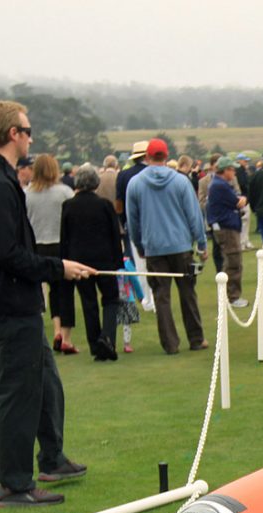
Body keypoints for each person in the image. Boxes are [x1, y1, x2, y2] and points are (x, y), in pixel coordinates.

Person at [0, 100, 95, 507]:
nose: (31, 139)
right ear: (12, 134)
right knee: (19, 393)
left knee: (45, 382)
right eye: (27, 131)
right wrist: (59, 268)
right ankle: (14, 484)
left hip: (17, 301)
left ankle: (52, 458)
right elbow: (5, 252)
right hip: (9, 303)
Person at [125, 137, 208, 354]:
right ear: (167, 155)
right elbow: (194, 215)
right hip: (181, 246)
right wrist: (201, 243)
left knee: (161, 297)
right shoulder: (181, 181)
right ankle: (196, 338)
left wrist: (139, 245)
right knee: (188, 293)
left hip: (154, 248)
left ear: (147, 156)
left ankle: (170, 344)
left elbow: (132, 220)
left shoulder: (135, 184)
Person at [58, 165, 123, 360]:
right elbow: (114, 234)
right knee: (111, 299)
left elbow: (64, 237)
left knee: (89, 302)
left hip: (79, 261)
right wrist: (118, 261)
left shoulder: (68, 205)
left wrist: (64, 261)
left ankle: (95, 344)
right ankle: (107, 338)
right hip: (105, 260)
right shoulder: (105, 205)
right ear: (96, 183)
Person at [25, 153, 77, 352]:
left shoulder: (27, 194)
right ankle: (65, 334)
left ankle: (53, 328)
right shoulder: (65, 192)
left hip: (37, 246)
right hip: (60, 244)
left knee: (44, 290)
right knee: (64, 290)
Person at [115, 140, 153, 311]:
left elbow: (119, 203)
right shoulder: (153, 173)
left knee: (140, 263)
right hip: (152, 223)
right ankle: (155, 297)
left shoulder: (123, 175)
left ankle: (146, 299)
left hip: (133, 223)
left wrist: (123, 219)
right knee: (156, 263)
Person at [206, 156, 248, 308]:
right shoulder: (220, 186)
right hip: (227, 228)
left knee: (230, 261)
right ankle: (232, 297)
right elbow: (238, 202)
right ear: (225, 170)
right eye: (232, 170)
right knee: (233, 262)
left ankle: (228, 296)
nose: (234, 173)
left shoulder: (218, 184)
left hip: (226, 226)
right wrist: (241, 200)